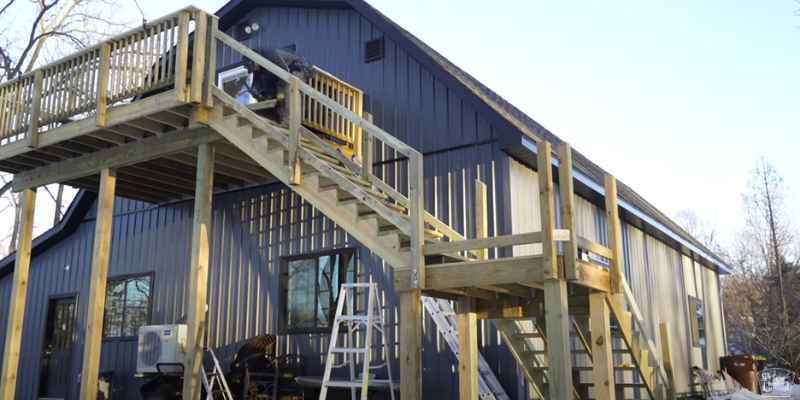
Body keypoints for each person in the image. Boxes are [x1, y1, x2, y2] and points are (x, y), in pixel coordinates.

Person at [245, 47, 314, 125]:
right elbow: (256, 82)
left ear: (255, 61)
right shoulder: (258, 66)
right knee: (274, 93)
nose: (255, 70)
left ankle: (289, 122)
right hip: (284, 75)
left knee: (288, 90)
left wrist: (280, 94)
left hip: (299, 67)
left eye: (254, 67)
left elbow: (284, 74)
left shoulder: (269, 54)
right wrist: (255, 91)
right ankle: (278, 117)